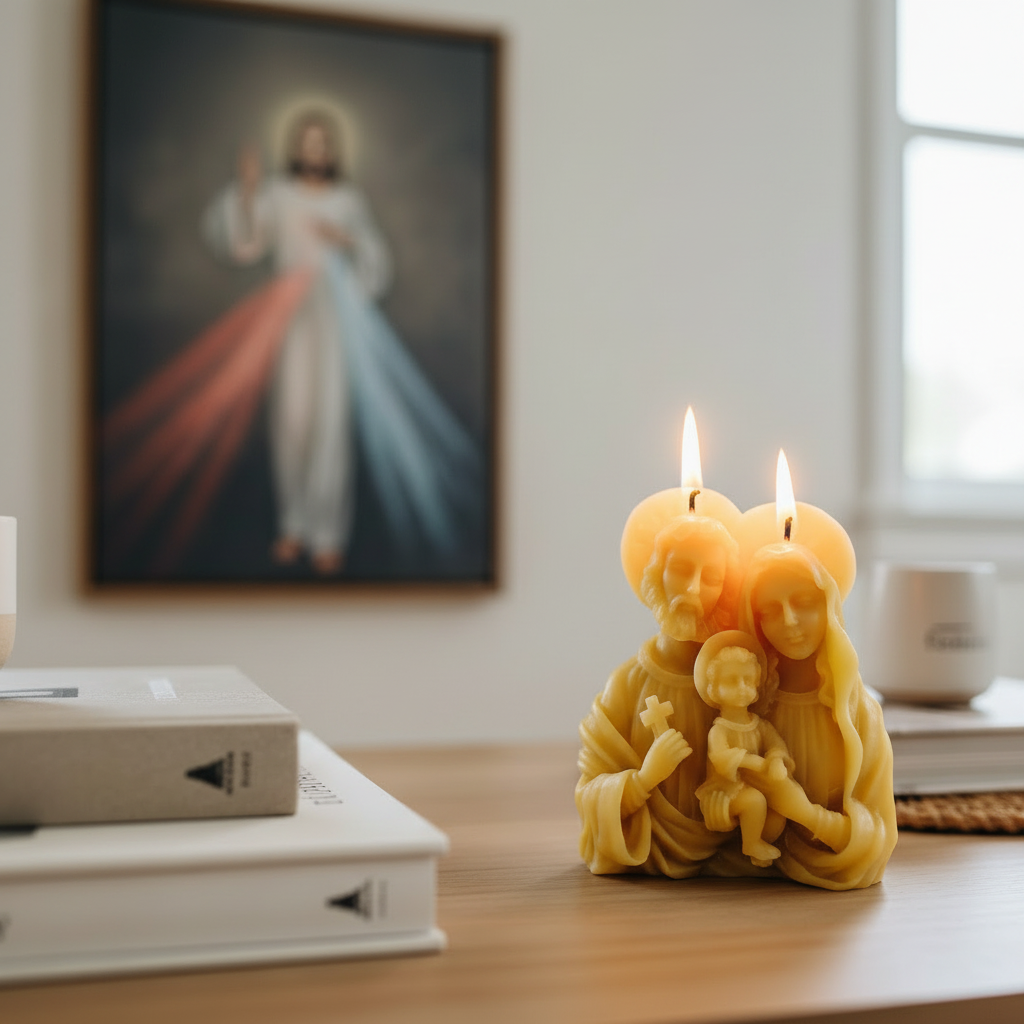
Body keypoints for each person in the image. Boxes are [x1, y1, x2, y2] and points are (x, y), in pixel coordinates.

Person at [576, 493, 744, 877]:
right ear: (656, 574)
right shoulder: (626, 686)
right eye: (682, 569)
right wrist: (645, 778)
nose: (693, 588)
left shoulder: (736, 681)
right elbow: (589, 795)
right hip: (646, 863)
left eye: (711, 577)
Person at [737, 543, 898, 890]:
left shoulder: (858, 717)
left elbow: (875, 840)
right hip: (745, 895)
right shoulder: (745, 703)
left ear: (829, 607)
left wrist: (804, 813)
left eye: (804, 604)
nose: (790, 621)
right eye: (770, 610)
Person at [693, 631, 849, 869]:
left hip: (761, 784)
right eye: (731, 681)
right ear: (714, 689)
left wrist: (776, 760)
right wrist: (753, 762)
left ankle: (763, 844)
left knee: (776, 813)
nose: (742, 688)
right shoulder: (720, 730)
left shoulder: (760, 725)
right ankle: (751, 844)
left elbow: (776, 746)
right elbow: (721, 759)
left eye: (747, 680)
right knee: (755, 801)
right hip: (727, 790)